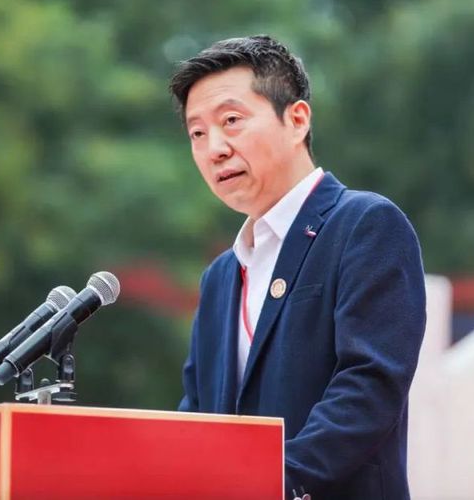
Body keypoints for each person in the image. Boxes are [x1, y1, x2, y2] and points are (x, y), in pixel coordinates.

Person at [170, 35, 426, 499]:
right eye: (197, 134)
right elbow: (198, 413)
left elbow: (368, 388)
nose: (215, 149)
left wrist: (273, 482)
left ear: (297, 120)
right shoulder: (221, 276)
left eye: (231, 121)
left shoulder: (364, 225)